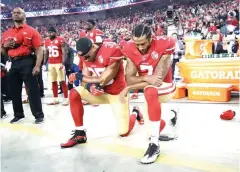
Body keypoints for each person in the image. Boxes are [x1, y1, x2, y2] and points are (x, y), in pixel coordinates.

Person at [60, 37, 144, 148]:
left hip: (116, 94)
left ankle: (135, 112)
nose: (86, 59)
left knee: (124, 132)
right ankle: (80, 133)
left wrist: (80, 77)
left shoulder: (112, 50)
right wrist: (90, 87)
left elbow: (104, 79)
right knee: (75, 93)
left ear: (93, 47)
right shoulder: (85, 56)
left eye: (87, 56)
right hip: (100, 93)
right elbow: (85, 81)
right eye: (83, 57)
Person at [121, 24, 177, 164]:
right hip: (147, 87)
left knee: (150, 91)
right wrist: (145, 77)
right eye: (137, 44)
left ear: (151, 38)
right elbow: (129, 79)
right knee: (149, 127)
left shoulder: (165, 43)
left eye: (143, 43)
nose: (140, 47)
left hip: (166, 85)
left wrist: (130, 87)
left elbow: (156, 81)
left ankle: (154, 145)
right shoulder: (129, 47)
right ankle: (171, 114)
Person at [1, 7, 44, 124]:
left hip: (27, 61)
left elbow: (39, 49)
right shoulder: (6, 33)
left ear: (24, 15)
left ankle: (38, 115)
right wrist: (4, 46)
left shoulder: (32, 31)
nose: (16, 14)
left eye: (18, 13)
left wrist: (37, 66)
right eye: (14, 13)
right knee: (14, 90)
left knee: (33, 90)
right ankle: (18, 114)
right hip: (12, 62)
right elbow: (3, 51)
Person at [43, 27, 69, 106]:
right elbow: (46, 53)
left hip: (59, 63)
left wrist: (63, 63)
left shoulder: (61, 39)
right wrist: (44, 63)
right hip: (51, 63)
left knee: (62, 81)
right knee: (53, 81)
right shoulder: (47, 41)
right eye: (49, 32)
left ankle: (66, 98)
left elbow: (65, 52)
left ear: (55, 32)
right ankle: (55, 99)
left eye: (51, 32)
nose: (50, 34)